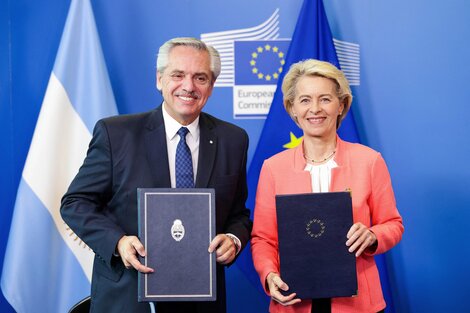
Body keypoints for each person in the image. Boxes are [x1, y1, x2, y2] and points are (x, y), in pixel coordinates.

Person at [61, 37, 252, 313]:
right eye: (178, 75)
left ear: (211, 86)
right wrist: (118, 242)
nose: (188, 86)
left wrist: (234, 240)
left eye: (200, 77)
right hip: (128, 296)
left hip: (202, 300)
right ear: (159, 79)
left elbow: (238, 214)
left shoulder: (233, 140)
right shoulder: (117, 134)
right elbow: (75, 203)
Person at [251, 59, 404, 313]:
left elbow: (393, 224)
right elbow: (263, 238)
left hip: (358, 304)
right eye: (305, 100)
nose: (315, 109)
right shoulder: (272, 168)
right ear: (293, 109)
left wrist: (373, 235)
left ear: (341, 105)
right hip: (294, 301)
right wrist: (268, 274)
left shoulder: (369, 161)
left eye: (325, 99)